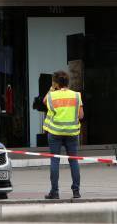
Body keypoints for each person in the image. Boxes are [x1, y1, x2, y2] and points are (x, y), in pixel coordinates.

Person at [42, 70, 84, 200]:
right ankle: (76, 191)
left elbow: (44, 101)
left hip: (55, 133)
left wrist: (51, 88)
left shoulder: (51, 96)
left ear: (56, 83)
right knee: (74, 161)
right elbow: (81, 115)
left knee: (55, 161)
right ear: (67, 82)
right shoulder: (76, 95)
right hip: (72, 133)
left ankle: (54, 192)